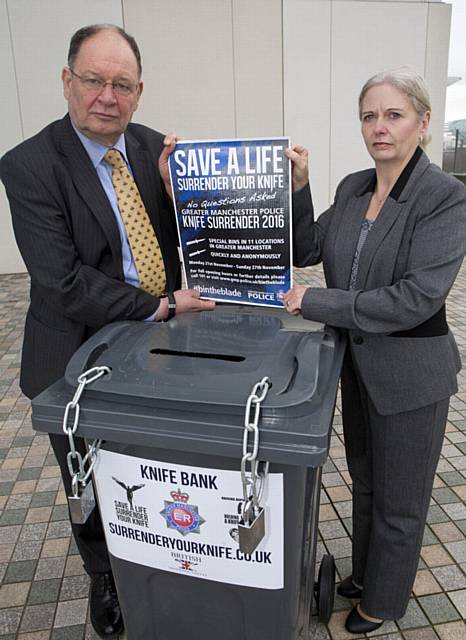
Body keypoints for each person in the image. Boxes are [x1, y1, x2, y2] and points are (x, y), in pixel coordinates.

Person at [0, 24, 214, 639]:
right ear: (67, 82)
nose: (106, 95)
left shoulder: (155, 150)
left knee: (159, 471)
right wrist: (162, 305)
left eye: (121, 84)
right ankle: (106, 577)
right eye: (93, 79)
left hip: (161, 350)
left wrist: (187, 197)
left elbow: (196, 241)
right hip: (74, 355)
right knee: (89, 482)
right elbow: (62, 281)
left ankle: (174, 562)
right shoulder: (29, 166)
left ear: (139, 92)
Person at [282, 68, 466, 634]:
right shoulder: (355, 187)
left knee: (401, 498)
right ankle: (364, 572)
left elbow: (414, 298)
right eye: (369, 116)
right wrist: (299, 185)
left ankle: (383, 602)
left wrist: (316, 303)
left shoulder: (444, 196)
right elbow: (309, 245)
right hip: (359, 366)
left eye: (393, 115)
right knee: (364, 479)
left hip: (412, 374)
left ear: (422, 122)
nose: (379, 128)